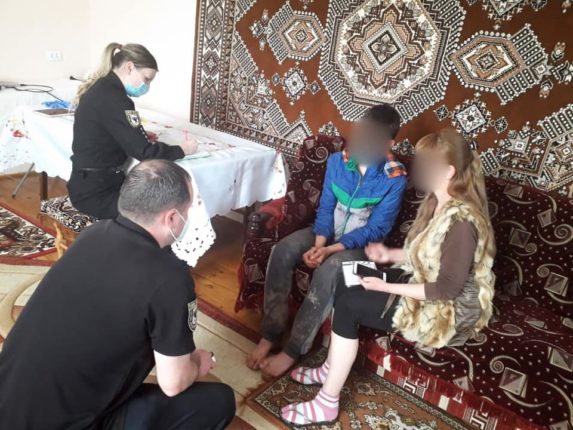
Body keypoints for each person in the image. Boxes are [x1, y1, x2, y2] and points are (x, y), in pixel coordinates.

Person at [281, 128, 497, 426]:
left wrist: (385, 285)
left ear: (448, 171)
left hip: (447, 312)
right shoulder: (438, 201)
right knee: (348, 276)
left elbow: (446, 289)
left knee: (351, 305)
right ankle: (329, 369)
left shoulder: (462, 222)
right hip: (426, 281)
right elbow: (427, 255)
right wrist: (389, 255)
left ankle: (327, 403)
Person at [0, 160, 235, 430]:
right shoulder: (171, 279)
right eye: (189, 208)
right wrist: (197, 363)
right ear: (171, 218)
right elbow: (173, 384)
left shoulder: (93, 234)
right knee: (219, 400)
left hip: (7, 400)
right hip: (65, 423)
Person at [247, 104, 408, 377]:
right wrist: (319, 244)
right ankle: (271, 333)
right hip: (326, 232)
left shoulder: (394, 178)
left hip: (361, 248)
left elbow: (376, 229)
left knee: (330, 269)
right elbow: (326, 206)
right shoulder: (336, 162)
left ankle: (293, 349)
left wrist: (330, 251)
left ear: (389, 144)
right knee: (282, 250)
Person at [68, 43, 198, 219]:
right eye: (146, 79)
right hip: (99, 192)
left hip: (87, 182)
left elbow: (107, 132)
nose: (147, 85)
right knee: (161, 212)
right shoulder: (116, 99)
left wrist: (134, 135)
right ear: (129, 67)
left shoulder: (101, 87)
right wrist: (182, 150)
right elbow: (145, 152)